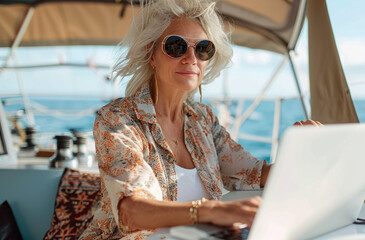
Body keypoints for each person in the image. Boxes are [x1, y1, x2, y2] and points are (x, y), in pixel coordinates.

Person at [79, 0, 320, 239]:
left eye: (203, 48)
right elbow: (132, 212)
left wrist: (303, 152)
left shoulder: (203, 120)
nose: (191, 58)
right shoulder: (118, 119)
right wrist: (210, 210)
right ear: (151, 54)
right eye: (175, 46)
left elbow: (253, 174)